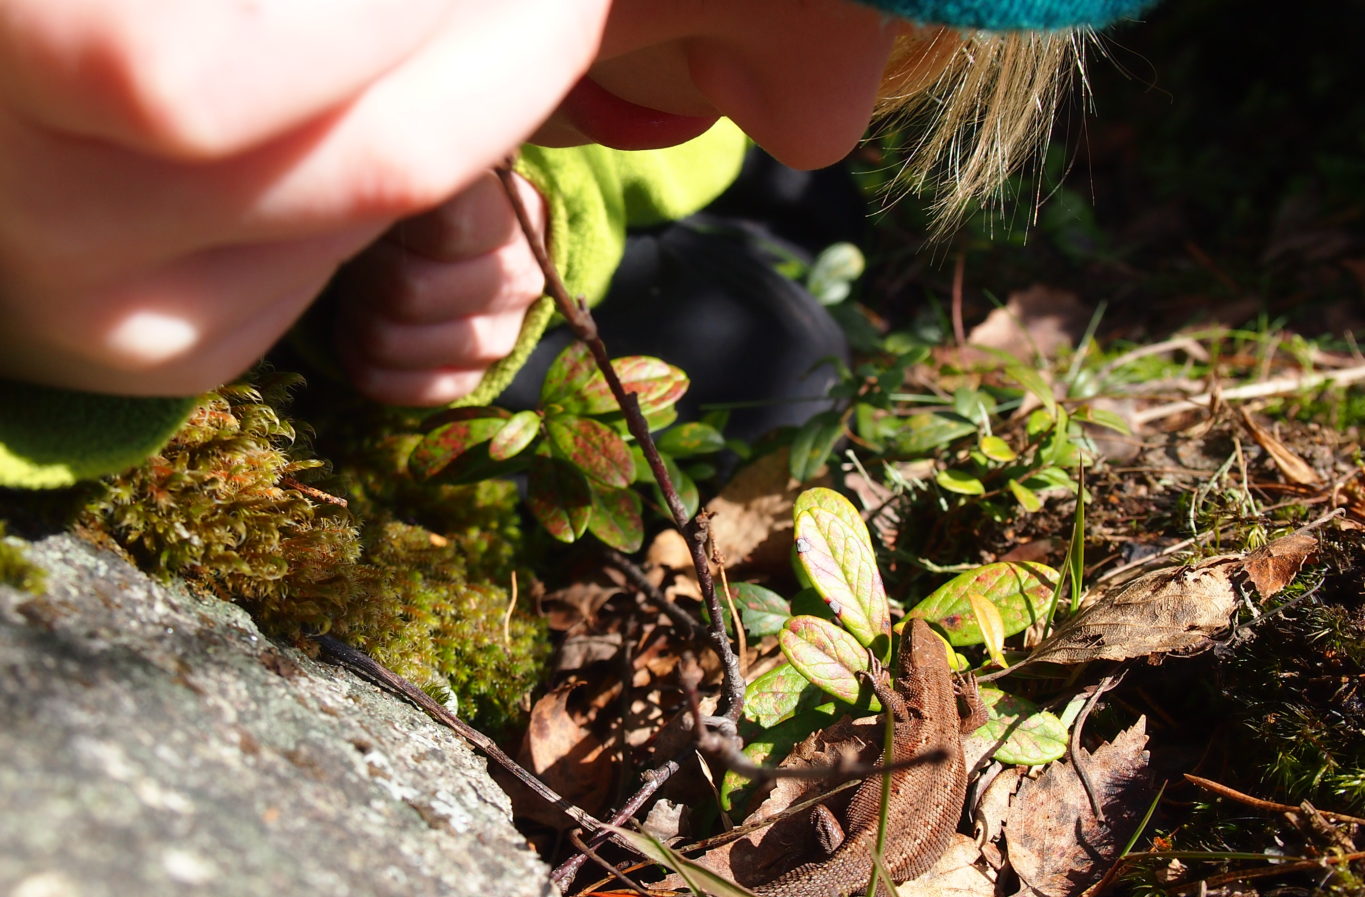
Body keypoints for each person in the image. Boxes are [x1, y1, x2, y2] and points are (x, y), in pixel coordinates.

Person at [0, 0, 1153, 488]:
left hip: (661, 149)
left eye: (910, 24)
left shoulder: (715, 96)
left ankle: (779, 231)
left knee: (782, 329)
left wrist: (545, 209)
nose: (828, 122)